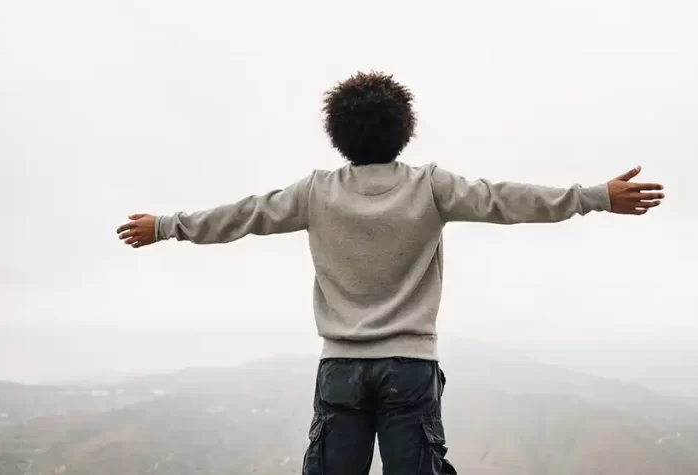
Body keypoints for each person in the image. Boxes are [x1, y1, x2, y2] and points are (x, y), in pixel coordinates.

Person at [116, 71, 665, 475]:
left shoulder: (317, 192)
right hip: (410, 368)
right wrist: (596, 197)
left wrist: (165, 225)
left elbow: (243, 216)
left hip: (341, 372)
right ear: (404, 130)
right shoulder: (430, 186)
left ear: (339, 134)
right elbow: (508, 200)